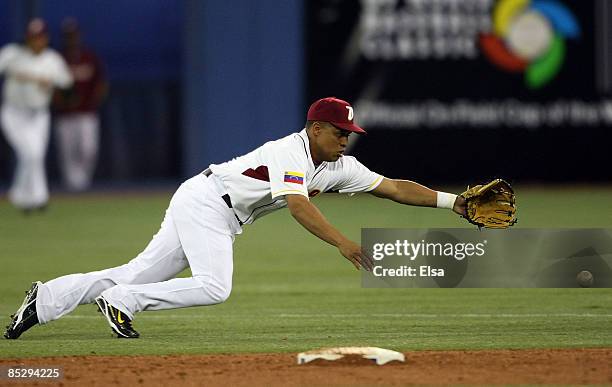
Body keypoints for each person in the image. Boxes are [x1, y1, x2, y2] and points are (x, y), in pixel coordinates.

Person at [4, 97, 466, 339]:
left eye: (351, 132)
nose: (347, 139)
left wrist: (453, 202)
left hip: (212, 207)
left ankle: (44, 299)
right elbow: (298, 205)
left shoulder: (341, 167)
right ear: (317, 129)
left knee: (132, 273)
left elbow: (395, 188)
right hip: (207, 202)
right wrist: (343, 243)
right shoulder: (291, 151)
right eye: (341, 132)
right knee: (214, 286)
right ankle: (125, 302)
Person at [0, 18, 73, 212]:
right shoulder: (12, 54)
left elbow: (67, 85)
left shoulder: (52, 59)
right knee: (30, 153)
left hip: (39, 115)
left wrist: (47, 81)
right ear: (27, 38)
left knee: (35, 155)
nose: (36, 41)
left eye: (40, 37)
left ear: (46, 38)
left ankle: (23, 195)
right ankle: (38, 197)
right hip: (13, 113)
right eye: (33, 37)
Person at [53, 18, 107, 191]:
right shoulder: (58, 59)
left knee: (89, 149)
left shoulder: (89, 57)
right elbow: (51, 87)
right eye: (68, 36)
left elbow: (101, 83)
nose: (72, 39)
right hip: (65, 115)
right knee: (68, 153)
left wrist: (94, 101)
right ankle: (73, 189)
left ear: (79, 36)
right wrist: (61, 101)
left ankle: (82, 185)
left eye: (74, 35)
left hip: (87, 112)